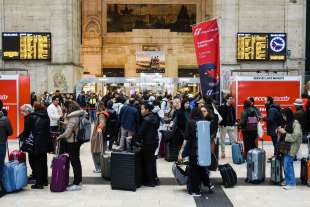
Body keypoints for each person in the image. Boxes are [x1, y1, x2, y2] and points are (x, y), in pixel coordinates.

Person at [183, 107, 214, 196]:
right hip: (203, 150)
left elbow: (186, 137)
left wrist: (182, 150)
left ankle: (196, 190)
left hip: (193, 150)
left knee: (194, 171)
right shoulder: (205, 123)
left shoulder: (190, 122)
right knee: (201, 168)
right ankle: (207, 184)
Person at [57, 101, 87, 191]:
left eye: (64, 107)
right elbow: (72, 126)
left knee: (75, 162)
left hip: (72, 142)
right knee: (76, 161)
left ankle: (77, 183)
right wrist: (64, 123)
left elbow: (68, 132)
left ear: (68, 107)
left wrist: (60, 136)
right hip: (75, 141)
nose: (63, 108)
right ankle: (77, 181)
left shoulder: (73, 117)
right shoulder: (77, 115)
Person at [277, 108, 302, 190]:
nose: (283, 117)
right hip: (286, 146)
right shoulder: (288, 122)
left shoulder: (295, 123)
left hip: (292, 147)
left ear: (288, 115)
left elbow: (296, 136)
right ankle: (288, 181)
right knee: (286, 164)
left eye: (284, 115)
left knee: (288, 164)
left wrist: (284, 133)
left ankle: (292, 183)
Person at [137, 101, 160, 187]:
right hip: (154, 141)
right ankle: (154, 179)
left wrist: (135, 139)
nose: (141, 111)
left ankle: (149, 181)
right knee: (152, 160)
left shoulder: (146, 120)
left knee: (147, 162)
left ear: (147, 110)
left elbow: (140, 132)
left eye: (142, 109)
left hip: (147, 143)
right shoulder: (155, 117)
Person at [30, 102, 52, 189]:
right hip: (45, 142)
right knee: (43, 161)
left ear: (34, 107)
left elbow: (30, 130)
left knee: (37, 162)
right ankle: (45, 181)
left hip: (37, 142)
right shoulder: (46, 116)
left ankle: (39, 183)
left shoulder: (33, 117)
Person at [91, 102, 109, 173]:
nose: (95, 108)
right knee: (99, 151)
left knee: (95, 152)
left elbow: (102, 124)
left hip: (99, 136)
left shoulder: (101, 114)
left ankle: (99, 168)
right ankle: (100, 167)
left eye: (96, 106)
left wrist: (98, 131)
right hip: (101, 136)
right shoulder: (103, 113)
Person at [20, 104, 36, 180]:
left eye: (22, 111)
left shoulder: (28, 118)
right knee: (33, 158)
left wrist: (22, 136)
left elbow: (27, 131)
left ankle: (34, 173)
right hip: (34, 140)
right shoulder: (33, 117)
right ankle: (35, 173)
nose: (21, 113)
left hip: (30, 141)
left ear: (27, 111)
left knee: (32, 158)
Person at [0, 106, 13, 196]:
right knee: (0, 165)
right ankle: (1, 188)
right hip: (1, 144)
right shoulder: (5, 119)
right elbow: (10, 132)